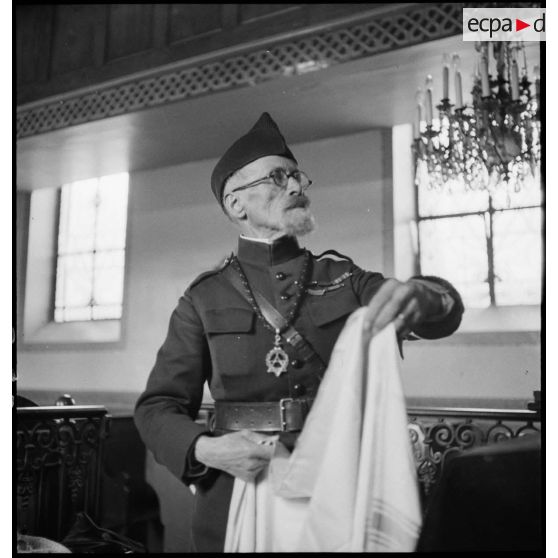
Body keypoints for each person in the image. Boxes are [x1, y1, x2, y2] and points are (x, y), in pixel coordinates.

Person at [134, 112, 464, 552]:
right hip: (238, 488)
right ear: (236, 204)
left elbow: (431, 308)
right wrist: (206, 451)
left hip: (337, 481)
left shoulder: (345, 279)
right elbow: (157, 407)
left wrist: (429, 295)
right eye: (277, 177)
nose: (295, 187)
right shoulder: (203, 298)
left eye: (297, 178)